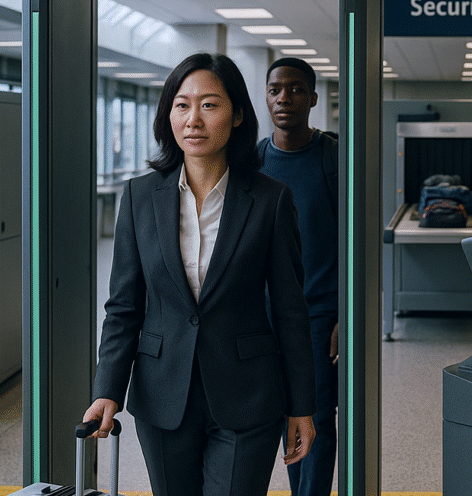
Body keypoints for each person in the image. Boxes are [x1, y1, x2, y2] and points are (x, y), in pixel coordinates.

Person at [82, 53, 317, 496]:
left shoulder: (270, 200)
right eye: (182, 105)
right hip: (162, 394)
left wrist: (302, 405)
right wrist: (107, 389)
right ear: (168, 114)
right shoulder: (139, 197)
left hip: (248, 395)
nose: (193, 119)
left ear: (238, 115)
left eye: (209, 105)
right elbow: (124, 306)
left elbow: (290, 310)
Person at [256, 57, 339, 496]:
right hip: (263, 314)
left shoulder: (332, 158)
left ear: (313, 98)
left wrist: (346, 315)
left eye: (295, 89)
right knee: (284, 413)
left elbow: (355, 243)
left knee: (317, 415)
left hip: (318, 314)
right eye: (275, 90)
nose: (284, 98)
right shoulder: (252, 161)